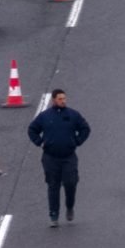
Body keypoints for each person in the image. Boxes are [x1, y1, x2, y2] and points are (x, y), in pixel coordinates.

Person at [26, 88, 92, 225]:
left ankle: (69, 207)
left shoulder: (73, 115)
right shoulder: (44, 116)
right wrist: (40, 142)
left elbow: (85, 128)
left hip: (69, 156)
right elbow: (32, 129)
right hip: (50, 157)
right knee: (53, 186)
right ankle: (54, 215)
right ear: (54, 100)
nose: (63, 101)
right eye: (60, 99)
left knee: (71, 183)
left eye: (64, 98)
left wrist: (77, 141)